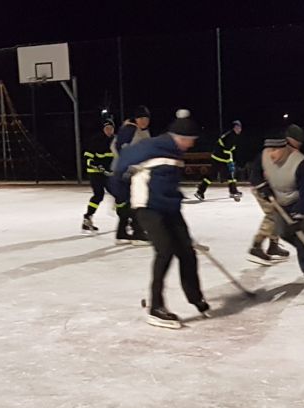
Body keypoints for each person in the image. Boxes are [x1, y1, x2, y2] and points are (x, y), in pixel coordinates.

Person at [110, 109, 209, 328]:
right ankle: (155, 307)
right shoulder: (153, 146)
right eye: (190, 140)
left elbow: (168, 183)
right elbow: (122, 162)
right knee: (165, 250)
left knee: (187, 252)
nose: (191, 144)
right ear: (180, 137)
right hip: (147, 207)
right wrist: (122, 196)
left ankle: (195, 297)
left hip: (170, 207)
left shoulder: (177, 152)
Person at [249, 125, 304, 282]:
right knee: (279, 224)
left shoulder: (299, 162)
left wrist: (300, 213)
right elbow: (255, 174)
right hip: (272, 193)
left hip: (292, 197)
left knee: (299, 229)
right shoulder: (268, 153)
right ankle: (260, 246)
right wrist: (263, 187)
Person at [111, 106, 151, 242]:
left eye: (146, 118)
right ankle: (137, 232)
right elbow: (117, 147)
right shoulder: (130, 130)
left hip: (135, 171)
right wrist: (127, 165)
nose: (144, 121)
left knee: (129, 202)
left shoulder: (142, 131)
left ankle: (122, 232)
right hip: (126, 172)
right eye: (141, 118)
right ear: (136, 119)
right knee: (136, 201)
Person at [81, 119, 116, 232]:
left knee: (119, 194)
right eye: (106, 128)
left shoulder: (115, 141)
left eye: (111, 128)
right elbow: (87, 156)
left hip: (108, 173)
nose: (109, 130)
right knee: (98, 195)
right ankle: (88, 218)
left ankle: (126, 219)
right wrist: (94, 164)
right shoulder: (96, 140)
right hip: (95, 173)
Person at [194, 119, 242, 201]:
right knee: (215, 176)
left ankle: (233, 191)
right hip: (219, 159)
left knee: (228, 176)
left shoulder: (231, 135)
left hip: (220, 158)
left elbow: (228, 150)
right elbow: (227, 150)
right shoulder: (231, 136)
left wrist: (230, 160)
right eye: (237, 127)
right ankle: (200, 191)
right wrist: (230, 161)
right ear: (234, 128)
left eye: (240, 127)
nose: (239, 129)